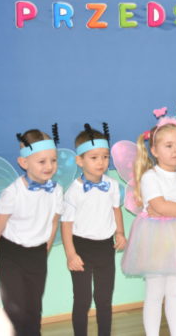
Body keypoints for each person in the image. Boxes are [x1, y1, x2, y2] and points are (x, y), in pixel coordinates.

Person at [121, 117, 176, 336]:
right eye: (168, 145)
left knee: (175, 292)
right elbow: (161, 206)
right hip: (156, 241)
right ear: (154, 150)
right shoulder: (150, 177)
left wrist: (174, 208)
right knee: (154, 293)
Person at [0, 126, 63, 336]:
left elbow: (54, 223)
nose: (49, 166)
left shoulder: (57, 191)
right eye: (42, 161)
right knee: (16, 309)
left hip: (37, 254)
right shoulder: (13, 193)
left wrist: (44, 250)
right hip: (11, 254)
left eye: (53, 160)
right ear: (24, 162)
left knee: (34, 309)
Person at [61, 123, 126, 336]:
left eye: (105, 157)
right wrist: (71, 254)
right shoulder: (73, 191)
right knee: (82, 299)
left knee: (104, 299)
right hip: (81, 248)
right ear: (80, 160)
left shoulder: (112, 185)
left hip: (105, 247)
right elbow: (66, 224)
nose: (101, 162)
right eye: (94, 157)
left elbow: (116, 210)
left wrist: (120, 233)